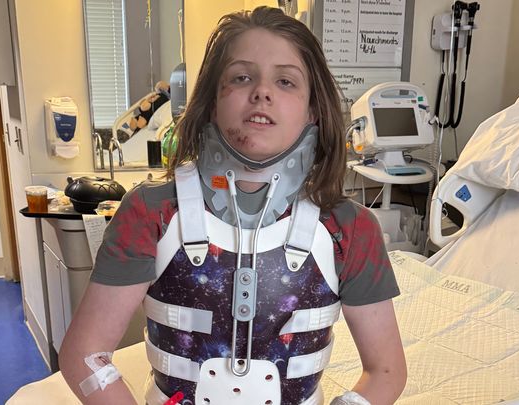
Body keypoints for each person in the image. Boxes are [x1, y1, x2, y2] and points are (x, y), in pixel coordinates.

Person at [60, 6, 406, 405]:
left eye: (285, 81)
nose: (262, 92)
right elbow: (83, 355)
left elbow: (387, 371)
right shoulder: (150, 213)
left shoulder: (350, 228)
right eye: (241, 77)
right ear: (211, 102)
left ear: (313, 109)